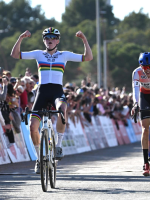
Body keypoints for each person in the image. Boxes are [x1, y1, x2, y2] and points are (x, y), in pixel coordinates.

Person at [10, 27, 93, 174]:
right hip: (42, 92)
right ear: (44, 40)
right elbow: (15, 55)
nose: (50, 40)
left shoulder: (64, 55)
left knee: (63, 109)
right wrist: (21, 38)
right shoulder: (38, 54)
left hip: (56, 91)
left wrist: (84, 40)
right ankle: (38, 159)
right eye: (47, 37)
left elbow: (88, 58)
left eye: (53, 38)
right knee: (33, 126)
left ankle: (58, 145)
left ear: (58, 40)